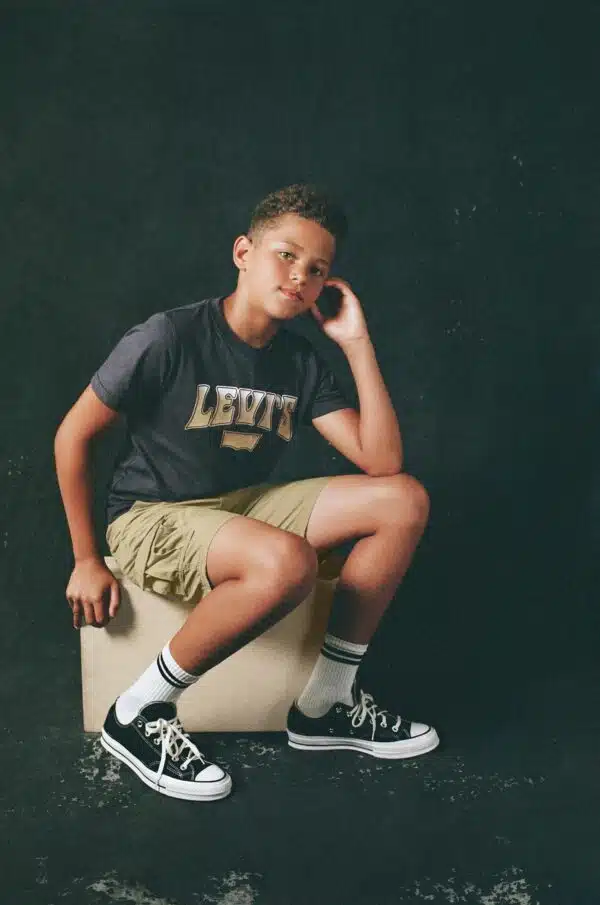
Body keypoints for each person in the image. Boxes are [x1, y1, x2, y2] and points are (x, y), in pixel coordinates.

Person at [54, 183, 439, 803]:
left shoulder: (300, 361)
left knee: (404, 500)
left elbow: (383, 462)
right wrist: (85, 558)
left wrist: (356, 343)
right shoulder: (169, 336)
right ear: (243, 252)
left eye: (316, 270)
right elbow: (72, 437)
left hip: (241, 507)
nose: (299, 277)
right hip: (152, 516)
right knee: (288, 560)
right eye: (286, 256)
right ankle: (141, 712)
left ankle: (327, 703)